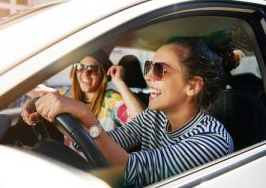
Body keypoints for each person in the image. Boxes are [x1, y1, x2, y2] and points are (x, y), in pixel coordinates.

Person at [22, 30, 241, 187]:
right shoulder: (154, 116)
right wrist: (52, 112)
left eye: (159, 70)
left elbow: (132, 172)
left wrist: (86, 115)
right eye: (148, 66)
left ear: (192, 86)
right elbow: (105, 141)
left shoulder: (212, 141)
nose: (147, 76)